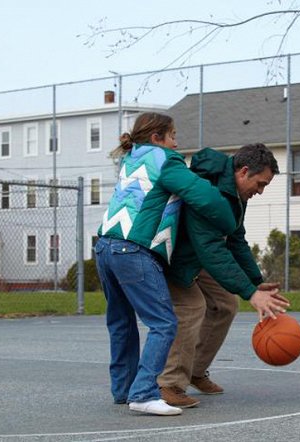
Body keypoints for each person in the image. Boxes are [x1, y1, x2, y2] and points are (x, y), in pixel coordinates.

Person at [94, 112, 236, 416]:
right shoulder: (166, 161)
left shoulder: (131, 159)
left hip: (105, 246)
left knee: (121, 323)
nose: (176, 142)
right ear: (158, 137)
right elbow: (204, 197)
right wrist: (229, 219)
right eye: (173, 135)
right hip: (133, 250)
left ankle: (123, 390)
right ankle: (145, 392)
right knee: (164, 322)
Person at [157, 143, 290, 408]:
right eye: (260, 184)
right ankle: (169, 384)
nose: (261, 191)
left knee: (226, 304)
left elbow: (235, 239)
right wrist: (251, 294)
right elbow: (211, 250)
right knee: (193, 307)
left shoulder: (237, 194)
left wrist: (255, 282)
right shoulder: (211, 188)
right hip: (176, 255)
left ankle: (195, 370)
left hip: (200, 253)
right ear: (243, 172)